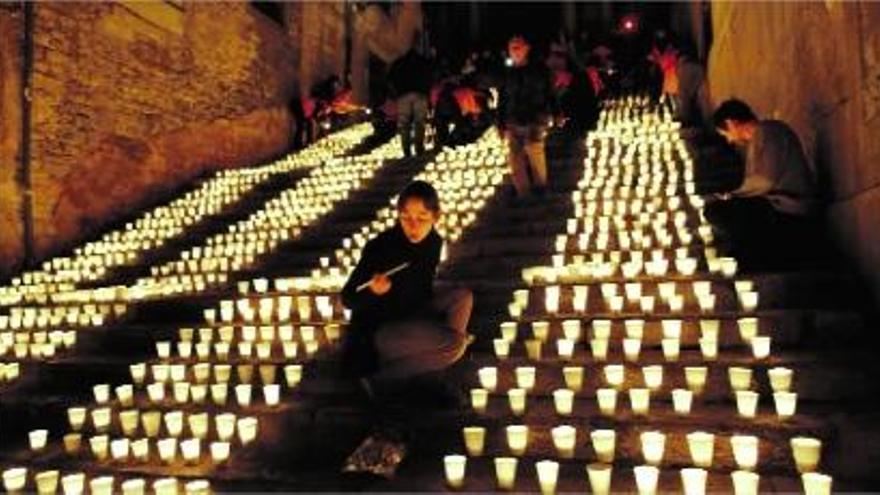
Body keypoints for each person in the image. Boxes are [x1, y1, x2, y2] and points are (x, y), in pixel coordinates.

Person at [341, 181, 473, 400]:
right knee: (456, 343)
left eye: (421, 218)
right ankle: (383, 378)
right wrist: (374, 292)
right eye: (405, 218)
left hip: (412, 311)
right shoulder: (381, 246)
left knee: (463, 297)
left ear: (436, 216)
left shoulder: (434, 242)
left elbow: (420, 287)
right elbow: (348, 298)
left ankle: (440, 355)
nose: (413, 226)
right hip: (381, 330)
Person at [706, 99, 820, 269]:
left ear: (731, 123)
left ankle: (756, 259)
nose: (729, 141)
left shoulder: (769, 131)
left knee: (718, 211)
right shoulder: (759, 138)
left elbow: (765, 180)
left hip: (790, 209)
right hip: (777, 207)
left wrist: (732, 195)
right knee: (725, 213)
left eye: (725, 134)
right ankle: (751, 258)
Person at [497, 35, 556, 199]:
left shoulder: (539, 70)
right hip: (513, 119)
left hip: (534, 118)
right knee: (515, 157)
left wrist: (556, 112)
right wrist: (500, 123)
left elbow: (549, 93)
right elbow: (502, 99)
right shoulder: (507, 74)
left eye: (517, 47)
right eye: (511, 48)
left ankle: (540, 188)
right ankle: (523, 192)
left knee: (534, 151)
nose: (514, 51)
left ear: (526, 48)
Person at [387, 48, 432, 157]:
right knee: (419, 122)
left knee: (404, 123)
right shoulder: (422, 62)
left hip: (403, 95)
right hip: (420, 94)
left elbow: (389, 78)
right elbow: (430, 77)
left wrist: (396, 92)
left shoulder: (398, 63)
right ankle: (419, 148)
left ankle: (406, 150)